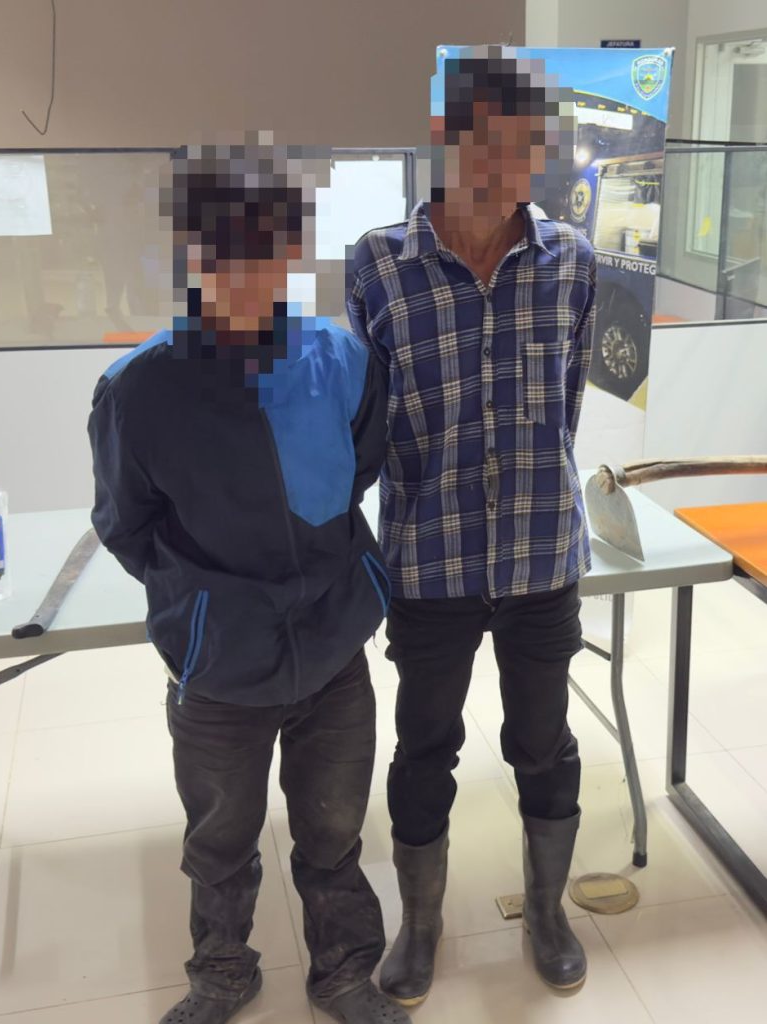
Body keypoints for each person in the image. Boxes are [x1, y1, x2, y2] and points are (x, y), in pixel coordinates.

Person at [88, 138, 407, 1024]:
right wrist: (206, 604)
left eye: (265, 246)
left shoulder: (342, 363)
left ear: (293, 248)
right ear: (189, 252)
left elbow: (360, 473)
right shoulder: (139, 390)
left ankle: (342, 972)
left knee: (334, 826)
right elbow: (124, 523)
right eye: (221, 248)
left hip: (332, 646)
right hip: (219, 666)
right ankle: (222, 973)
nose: (244, 271)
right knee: (219, 837)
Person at [348, 49, 597, 1003]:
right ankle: (418, 926)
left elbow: (565, 404)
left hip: (540, 550)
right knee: (424, 747)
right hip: (431, 555)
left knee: (543, 743)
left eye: (526, 149)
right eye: (488, 146)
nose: (508, 169)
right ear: (443, 141)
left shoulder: (570, 261)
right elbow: (364, 416)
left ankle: (546, 911)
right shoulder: (378, 264)